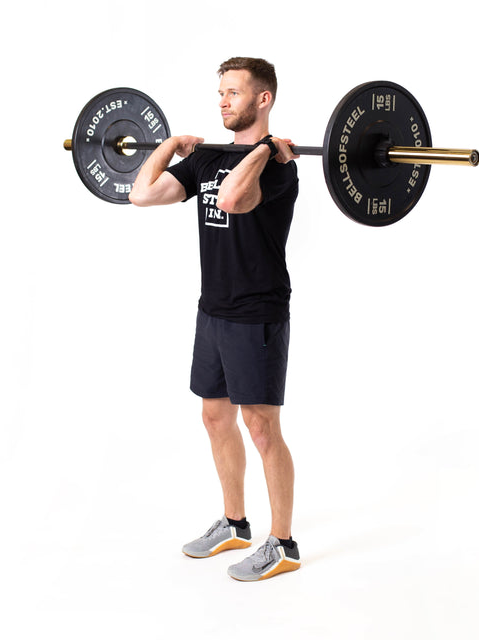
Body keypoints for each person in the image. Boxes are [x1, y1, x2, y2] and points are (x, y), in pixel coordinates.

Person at [129, 57, 300, 582]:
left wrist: (266, 149)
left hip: (258, 311)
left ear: (262, 99)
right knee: (214, 416)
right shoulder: (207, 160)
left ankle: (284, 543)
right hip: (214, 309)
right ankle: (234, 524)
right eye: (220, 92)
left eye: (232, 92)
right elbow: (141, 194)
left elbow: (232, 197)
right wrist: (169, 147)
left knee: (261, 426)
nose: (222, 101)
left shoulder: (279, 168)